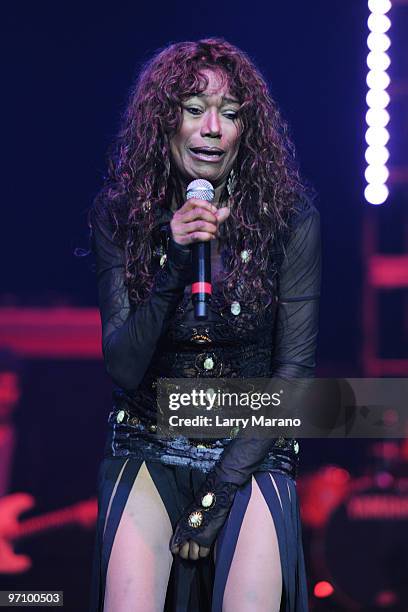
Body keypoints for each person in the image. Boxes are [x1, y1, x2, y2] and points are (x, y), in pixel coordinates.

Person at [89, 37, 320, 612]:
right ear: (165, 121)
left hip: (253, 447)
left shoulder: (290, 220)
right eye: (194, 110)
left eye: (230, 113)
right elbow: (121, 364)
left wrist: (217, 493)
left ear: (247, 129)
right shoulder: (120, 216)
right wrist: (172, 258)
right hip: (149, 439)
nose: (212, 128)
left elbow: (294, 373)